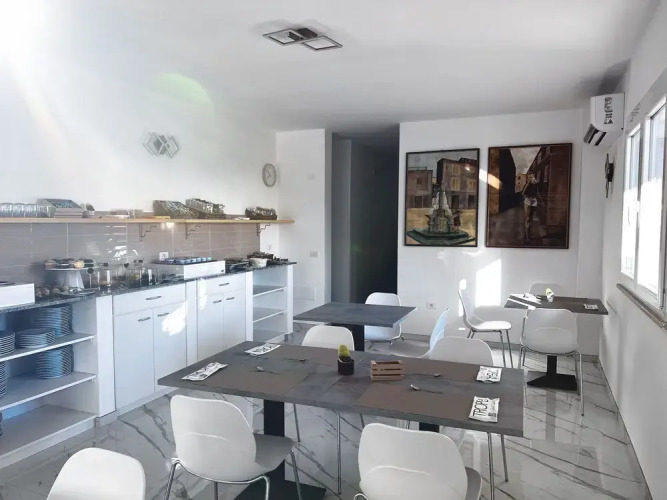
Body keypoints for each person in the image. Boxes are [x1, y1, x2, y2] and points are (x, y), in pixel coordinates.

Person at [522, 173, 541, 241]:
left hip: (534, 200)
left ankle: (529, 233)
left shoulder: (536, 184)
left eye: (532, 177)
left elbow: (537, 192)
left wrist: (540, 200)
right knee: (528, 218)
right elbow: (523, 193)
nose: (532, 178)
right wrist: (528, 185)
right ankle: (527, 236)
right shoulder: (527, 184)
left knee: (531, 218)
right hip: (528, 200)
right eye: (530, 177)